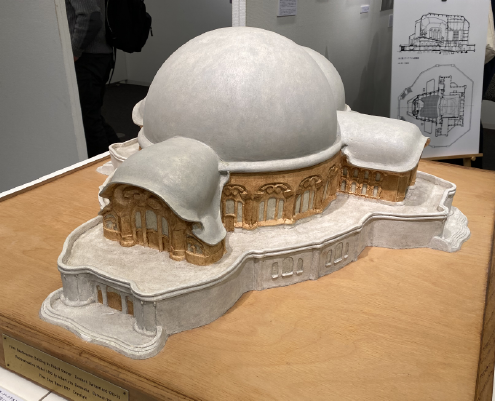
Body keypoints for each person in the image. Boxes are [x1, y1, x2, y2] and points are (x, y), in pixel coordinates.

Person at [66, 0, 120, 158]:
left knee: (88, 119)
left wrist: (74, 52)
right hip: (96, 56)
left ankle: (103, 166)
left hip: (88, 58)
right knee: (91, 115)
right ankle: (120, 159)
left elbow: (90, 16)